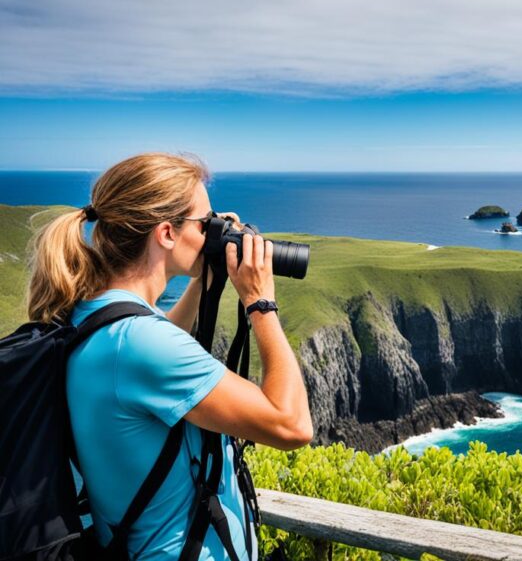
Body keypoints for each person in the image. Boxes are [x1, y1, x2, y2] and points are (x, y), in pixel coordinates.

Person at [26, 153, 314, 560]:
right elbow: (292, 425)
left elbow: (157, 351)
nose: (214, 231)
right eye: (205, 223)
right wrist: (260, 302)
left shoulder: (95, 317)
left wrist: (203, 282)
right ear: (165, 233)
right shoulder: (140, 343)